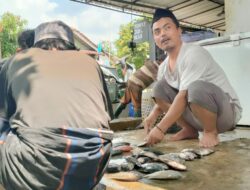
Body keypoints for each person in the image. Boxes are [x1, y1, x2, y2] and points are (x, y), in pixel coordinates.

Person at [0, 20, 113, 190]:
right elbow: (108, 118)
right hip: (93, 169)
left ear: (36, 46)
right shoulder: (91, 63)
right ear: (72, 47)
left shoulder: (16, 61)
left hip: (32, 173)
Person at [144, 8, 242, 148]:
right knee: (158, 88)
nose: (163, 34)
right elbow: (163, 97)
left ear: (179, 31)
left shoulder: (193, 53)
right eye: (157, 32)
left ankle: (210, 132)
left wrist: (160, 129)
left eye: (167, 28)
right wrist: (152, 116)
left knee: (194, 88)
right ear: (155, 39)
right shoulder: (163, 67)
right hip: (199, 117)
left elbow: (183, 96)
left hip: (226, 114)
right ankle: (190, 129)